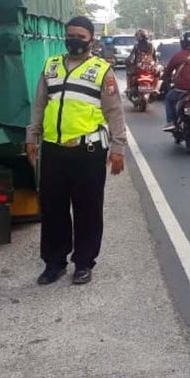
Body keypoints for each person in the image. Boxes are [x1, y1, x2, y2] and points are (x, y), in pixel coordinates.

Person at [26, 16, 127, 286]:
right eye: (70, 35)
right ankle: (54, 263)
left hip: (88, 151)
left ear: (91, 39)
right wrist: (31, 136)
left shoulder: (101, 70)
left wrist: (118, 148)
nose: (74, 40)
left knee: (88, 210)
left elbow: (115, 112)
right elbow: (39, 105)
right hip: (53, 151)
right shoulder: (51, 66)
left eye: (80, 36)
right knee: (53, 210)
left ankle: (83, 263)